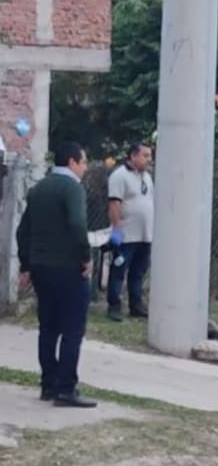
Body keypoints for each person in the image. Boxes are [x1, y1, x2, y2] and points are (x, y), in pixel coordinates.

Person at [16, 142, 96, 407]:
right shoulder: (72, 188)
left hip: (41, 266)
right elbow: (77, 224)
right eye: (83, 162)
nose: (85, 168)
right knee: (72, 329)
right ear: (72, 162)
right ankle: (66, 388)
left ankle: (48, 384)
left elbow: (23, 231)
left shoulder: (40, 188)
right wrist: (85, 256)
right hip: (68, 266)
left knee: (48, 328)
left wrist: (26, 265)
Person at [105, 142, 154, 321]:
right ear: (133, 156)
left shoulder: (146, 177)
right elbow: (114, 204)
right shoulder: (120, 176)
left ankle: (136, 305)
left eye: (149, 156)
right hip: (127, 234)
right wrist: (116, 229)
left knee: (138, 271)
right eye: (145, 155)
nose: (149, 159)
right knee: (119, 270)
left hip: (145, 234)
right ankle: (114, 305)